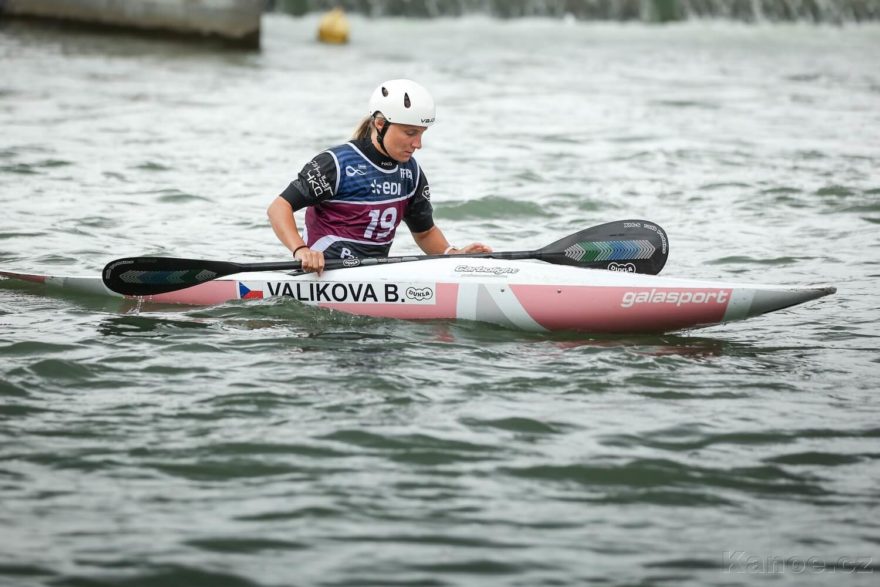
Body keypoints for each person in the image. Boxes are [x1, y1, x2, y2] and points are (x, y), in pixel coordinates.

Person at [267, 79, 491, 273]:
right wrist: (301, 250)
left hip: (374, 276)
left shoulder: (410, 173)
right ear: (381, 124)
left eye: (422, 134)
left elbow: (425, 233)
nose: (418, 144)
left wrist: (452, 254)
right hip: (324, 274)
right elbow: (278, 207)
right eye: (410, 133)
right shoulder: (335, 164)